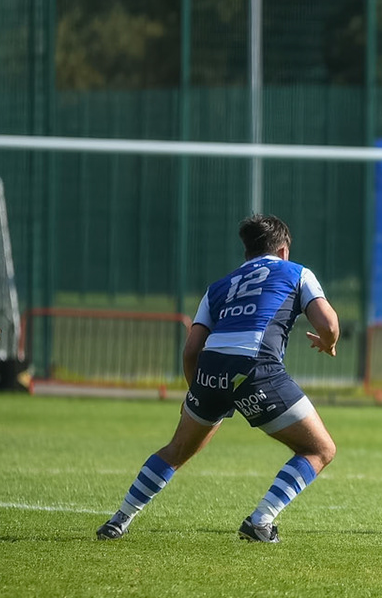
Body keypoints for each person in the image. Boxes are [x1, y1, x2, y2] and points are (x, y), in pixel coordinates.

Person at [97, 214, 340, 543]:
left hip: (210, 369)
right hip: (255, 369)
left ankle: (119, 520)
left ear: (247, 254)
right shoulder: (297, 272)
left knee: (178, 448)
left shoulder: (219, 286)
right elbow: (327, 323)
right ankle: (260, 521)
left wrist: (196, 395)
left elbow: (190, 351)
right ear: (283, 251)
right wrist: (328, 342)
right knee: (319, 449)